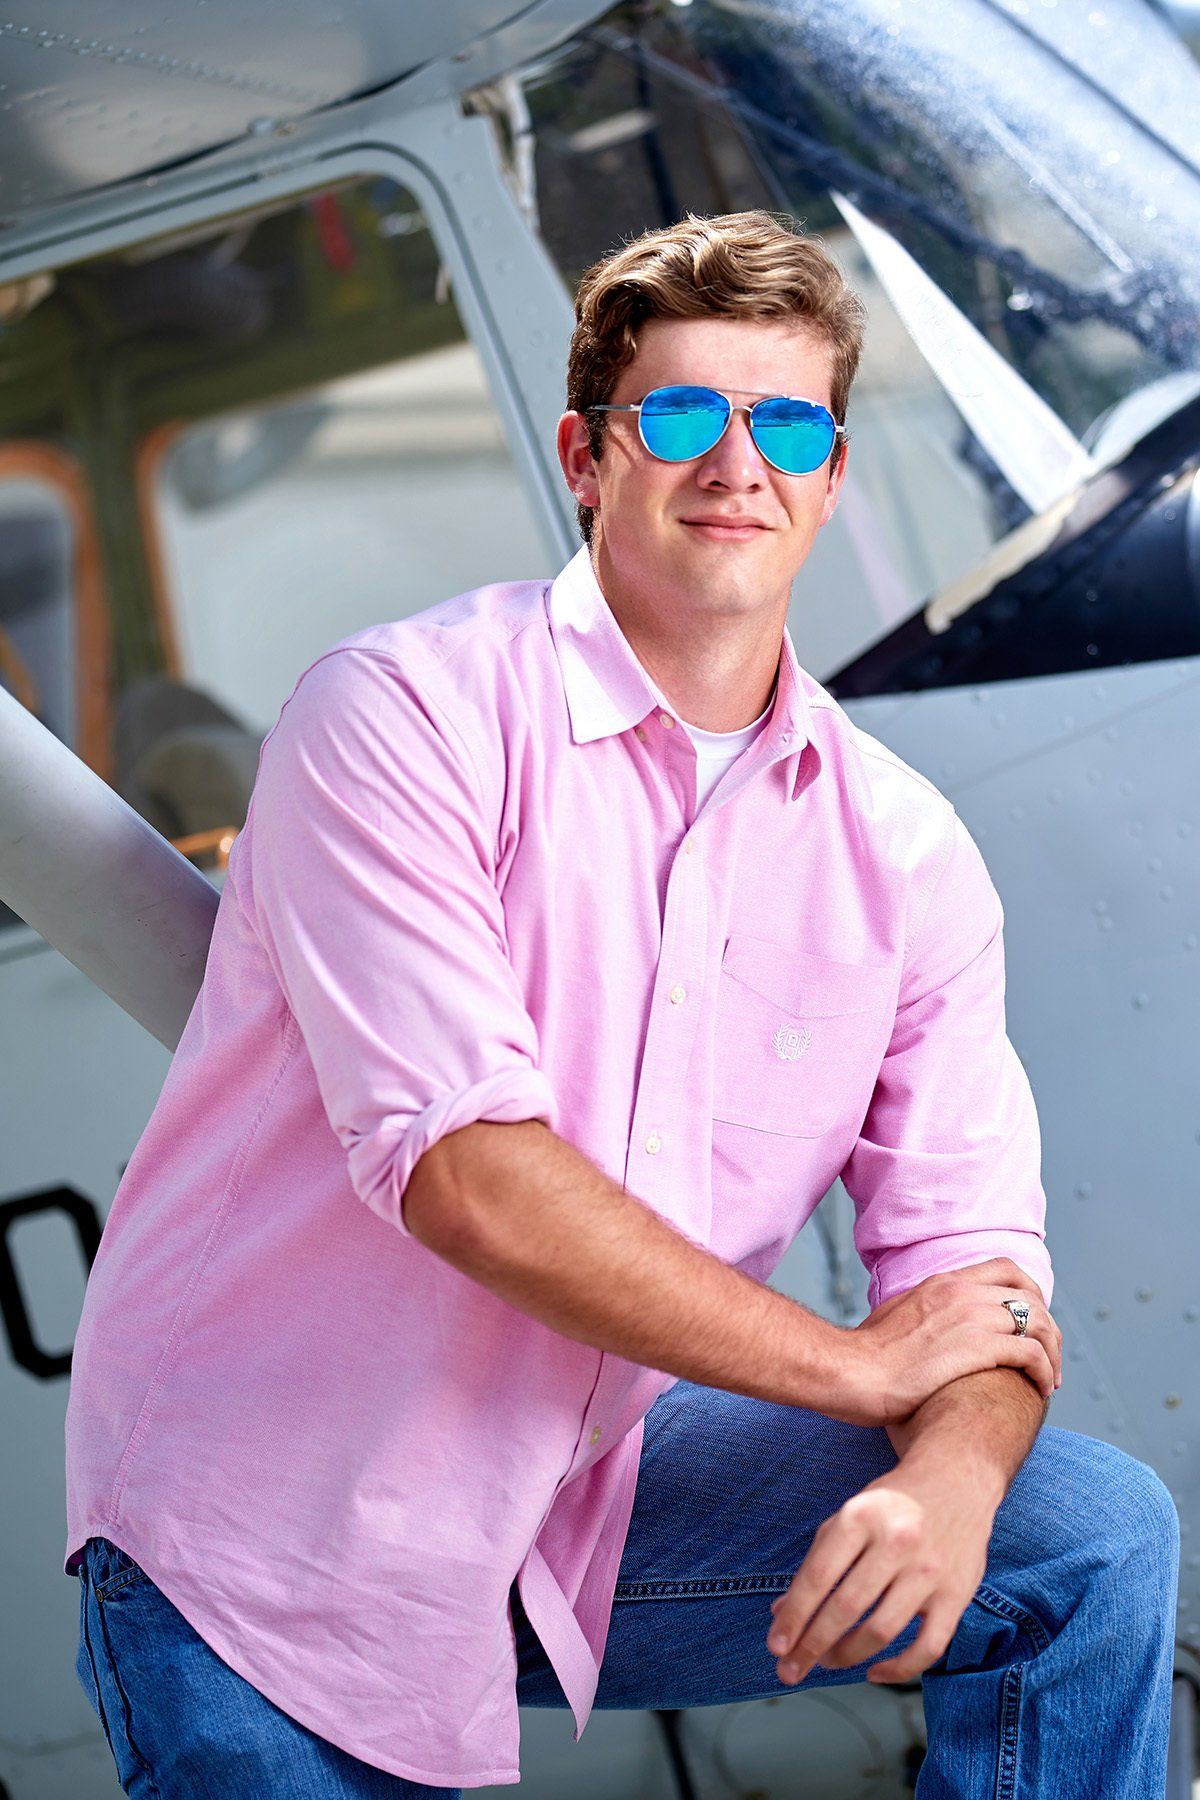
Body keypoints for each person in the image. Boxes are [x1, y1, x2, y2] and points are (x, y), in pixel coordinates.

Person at [65, 211, 1178, 1798]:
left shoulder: (907, 857)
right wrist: (861, 1374)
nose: (740, 462)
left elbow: (980, 1292)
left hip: (575, 1493)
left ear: (834, 474)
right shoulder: (401, 715)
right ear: (589, 457)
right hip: (268, 1527)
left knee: (1086, 1541)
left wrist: (944, 1473)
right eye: (683, 416)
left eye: (787, 421)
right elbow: (472, 1180)